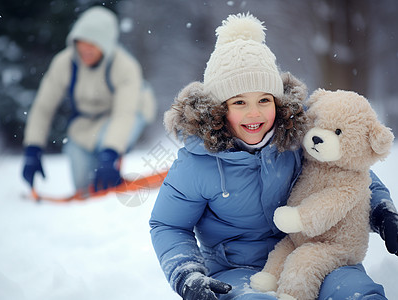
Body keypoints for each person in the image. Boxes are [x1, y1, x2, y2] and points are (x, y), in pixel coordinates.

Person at [150, 13, 398, 300]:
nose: (254, 113)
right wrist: (186, 273)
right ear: (219, 109)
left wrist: (382, 211)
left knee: (354, 292)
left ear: (278, 102)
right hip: (236, 270)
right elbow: (168, 224)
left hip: (312, 252)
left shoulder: (297, 137)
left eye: (264, 100)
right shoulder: (198, 162)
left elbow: (350, 170)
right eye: (240, 102)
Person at [22, 6, 156, 194]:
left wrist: (110, 154)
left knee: (105, 148)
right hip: (88, 120)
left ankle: (112, 165)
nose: (86, 48)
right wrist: (32, 149)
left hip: (131, 111)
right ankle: (103, 173)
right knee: (84, 186)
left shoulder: (125, 67)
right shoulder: (64, 63)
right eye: (81, 42)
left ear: (106, 44)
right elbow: (43, 107)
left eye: (93, 43)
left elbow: (124, 114)